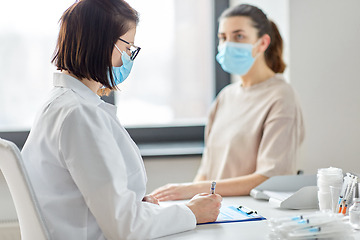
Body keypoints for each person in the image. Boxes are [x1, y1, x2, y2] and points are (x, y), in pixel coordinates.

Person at [21, 0, 222, 239]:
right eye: (128, 48)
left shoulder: (61, 103)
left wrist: (137, 206)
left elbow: (100, 204)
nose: (129, 58)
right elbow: (124, 227)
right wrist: (191, 212)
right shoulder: (79, 114)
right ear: (102, 43)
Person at [151, 4, 305, 201]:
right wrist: (190, 202)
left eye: (239, 36)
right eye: (223, 38)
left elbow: (271, 178)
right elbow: (206, 171)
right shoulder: (225, 97)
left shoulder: (281, 97)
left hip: (251, 215)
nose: (228, 44)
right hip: (216, 212)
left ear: (262, 43)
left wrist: (194, 189)